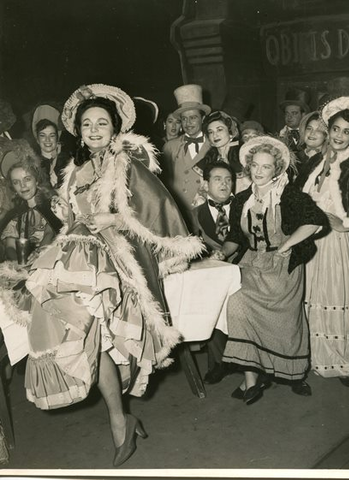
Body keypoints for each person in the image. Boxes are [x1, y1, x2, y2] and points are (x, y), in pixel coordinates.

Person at [1, 84, 204, 466]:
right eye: (87, 124)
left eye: (102, 123)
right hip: (76, 253)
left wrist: (115, 217)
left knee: (97, 335)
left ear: (115, 128)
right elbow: (73, 218)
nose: (94, 129)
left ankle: (118, 420)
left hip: (114, 258)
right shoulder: (75, 169)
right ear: (78, 130)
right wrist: (66, 213)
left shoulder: (126, 161)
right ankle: (120, 418)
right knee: (88, 336)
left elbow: (156, 206)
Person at [216, 136, 329, 404]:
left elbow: (315, 221)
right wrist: (222, 252)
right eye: (255, 165)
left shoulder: (289, 195)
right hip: (250, 264)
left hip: (282, 268)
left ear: (276, 169)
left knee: (285, 324)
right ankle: (251, 377)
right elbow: (236, 237)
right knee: (237, 304)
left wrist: (287, 244)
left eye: (265, 166)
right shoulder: (242, 198)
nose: (258, 170)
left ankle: (294, 373)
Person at [294, 95, 349, 387]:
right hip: (309, 240)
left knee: (333, 296)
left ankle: (340, 362)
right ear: (328, 129)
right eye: (336, 129)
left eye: (347, 132)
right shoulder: (318, 160)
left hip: (332, 243)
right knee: (310, 296)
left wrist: (346, 224)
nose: (340, 136)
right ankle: (310, 358)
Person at [191, 160, 239, 385]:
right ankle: (219, 362)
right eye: (218, 179)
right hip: (211, 273)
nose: (224, 184)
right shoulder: (194, 214)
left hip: (242, 267)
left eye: (228, 180)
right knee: (210, 308)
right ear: (206, 183)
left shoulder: (243, 206)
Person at [0, 143, 62, 261]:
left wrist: (38, 255)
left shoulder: (52, 206)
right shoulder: (15, 214)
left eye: (27, 179)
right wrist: (20, 262)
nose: (22, 186)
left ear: (37, 180)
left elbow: (50, 233)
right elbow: (10, 245)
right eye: (16, 182)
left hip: (50, 260)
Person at [162, 84, 211, 227]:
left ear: (202, 119)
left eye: (193, 118)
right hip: (179, 214)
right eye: (184, 119)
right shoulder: (170, 147)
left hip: (205, 212)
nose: (188, 123)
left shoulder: (213, 145)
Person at [194, 110, 251, 200]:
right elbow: (203, 191)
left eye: (219, 130)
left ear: (231, 132)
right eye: (211, 132)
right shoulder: (208, 159)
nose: (215, 135)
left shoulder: (243, 157)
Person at [33, 118, 71, 188]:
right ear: (37, 140)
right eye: (42, 135)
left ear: (57, 138)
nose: (47, 139)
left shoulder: (69, 160)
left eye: (52, 135)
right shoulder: (34, 166)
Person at [278, 88, 311, 153]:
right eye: (287, 113)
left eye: (294, 113)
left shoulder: (311, 134)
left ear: (303, 115)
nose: (289, 117)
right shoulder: (279, 136)